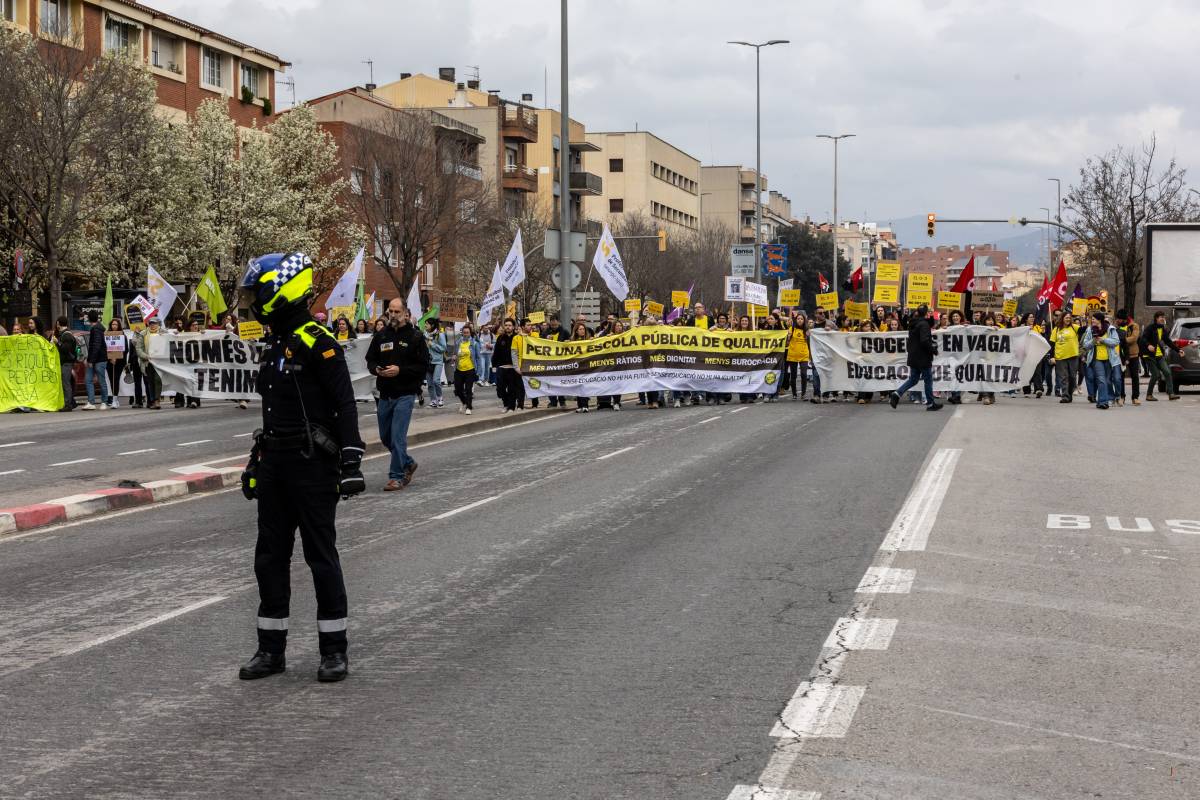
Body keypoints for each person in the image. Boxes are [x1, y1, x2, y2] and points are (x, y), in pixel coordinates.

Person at [235, 251, 366, 684]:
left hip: (312, 467)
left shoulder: (318, 341)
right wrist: (257, 462)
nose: (252, 302)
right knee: (268, 559)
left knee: (320, 557)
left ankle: (334, 651)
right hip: (276, 464)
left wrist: (351, 460)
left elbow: (344, 404)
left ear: (279, 290)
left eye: (258, 292)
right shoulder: (273, 344)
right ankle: (270, 651)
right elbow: (275, 411)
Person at [366, 298, 429, 490]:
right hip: (384, 394)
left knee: (397, 437)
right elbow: (370, 360)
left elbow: (422, 365)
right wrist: (376, 369)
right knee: (386, 437)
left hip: (405, 393)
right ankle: (408, 462)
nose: (392, 315)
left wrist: (400, 370)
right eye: (390, 312)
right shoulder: (381, 336)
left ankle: (396, 476)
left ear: (405, 313)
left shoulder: (415, 337)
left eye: (396, 312)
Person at [889, 304, 942, 411]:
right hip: (923, 357)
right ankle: (931, 404)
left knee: (913, 379)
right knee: (928, 380)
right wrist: (933, 350)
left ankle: (897, 393)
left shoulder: (913, 323)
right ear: (926, 313)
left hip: (913, 356)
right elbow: (924, 340)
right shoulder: (923, 325)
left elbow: (927, 327)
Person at [1081, 311, 1120, 410]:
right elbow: (1085, 345)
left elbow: (1116, 341)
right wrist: (1093, 341)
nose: (1092, 320)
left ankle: (1103, 400)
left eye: (1093, 319)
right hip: (1096, 359)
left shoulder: (1110, 329)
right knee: (1101, 379)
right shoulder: (1090, 330)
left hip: (1109, 359)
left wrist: (1103, 340)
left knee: (1107, 380)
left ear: (1099, 320)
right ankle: (1103, 402)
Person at [1140, 311, 1181, 401]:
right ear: (1156, 318)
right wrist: (1148, 345)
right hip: (1149, 355)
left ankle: (1171, 394)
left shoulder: (1162, 329)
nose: (1163, 319)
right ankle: (1149, 395)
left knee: (1167, 372)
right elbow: (1143, 338)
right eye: (1161, 317)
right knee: (1155, 375)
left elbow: (1168, 342)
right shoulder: (1150, 328)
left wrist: (1178, 350)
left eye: (1163, 317)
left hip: (1159, 355)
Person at [80, 311, 110, 411]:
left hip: (98, 359)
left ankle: (103, 402)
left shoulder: (96, 329)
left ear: (89, 318)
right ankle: (92, 402)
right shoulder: (97, 328)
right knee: (90, 380)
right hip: (97, 359)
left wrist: (91, 360)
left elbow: (96, 345)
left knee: (98, 380)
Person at [1050, 312, 1080, 403]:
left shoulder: (1074, 327)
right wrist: (1052, 357)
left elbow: (1085, 331)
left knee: (1072, 377)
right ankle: (1065, 396)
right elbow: (1052, 344)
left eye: (1069, 318)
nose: (1068, 319)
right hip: (1060, 357)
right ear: (1062, 318)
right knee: (1063, 377)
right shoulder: (1056, 329)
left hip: (1073, 356)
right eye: (1066, 318)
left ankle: (1069, 393)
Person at [133, 318, 162, 409]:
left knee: (157, 380)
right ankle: (152, 401)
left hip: (159, 362)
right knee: (150, 382)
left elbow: (172, 338)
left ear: (158, 324)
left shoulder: (163, 332)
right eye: (151, 323)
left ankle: (157, 400)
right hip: (147, 362)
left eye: (154, 323)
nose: (153, 325)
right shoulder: (143, 334)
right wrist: (146, 356)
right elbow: (138, 348)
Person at [1115, 308, 1141, 406]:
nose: (1117, 320)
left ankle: (1135, 397)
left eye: (1119, 319)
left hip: (1133, 354)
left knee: (1135, 376)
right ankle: (1122, 397)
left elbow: (1134, 338)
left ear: (1124, 319)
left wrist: (1122, 340)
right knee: (1120, 377)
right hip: (1121, 356)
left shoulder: (1134, 326)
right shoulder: (1116, 328)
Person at [493, 319, 519, 413]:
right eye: (506, 325)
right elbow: (496, 353)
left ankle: (511, 406)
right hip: (502, 367)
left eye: (509, 325)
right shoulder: (500, 338)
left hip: (513, 368)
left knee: (512, 388)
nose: (508, 327)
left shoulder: (517, 337)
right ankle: (506, 404)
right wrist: (494, 366)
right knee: (500, 388)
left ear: (513, 327)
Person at [783, 312, 810, 401]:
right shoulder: (791, 329)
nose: (800, 320)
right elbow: (786, 343)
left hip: (804, 355)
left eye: (802, 319)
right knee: (793, 375)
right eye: (798, 318)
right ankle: (794, 394)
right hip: (793, 354)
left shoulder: (807, 330)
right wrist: (788, 337)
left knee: (804, 374)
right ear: (796, 319)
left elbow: (810, 343)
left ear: (804, 320)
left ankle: (803, 394)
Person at [53, 317, 78, 411]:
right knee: (65, 382)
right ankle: (71, 402)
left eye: (57, 323)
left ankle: (68, 404)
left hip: (66, 363)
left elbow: (66, 349)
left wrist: (57, 343)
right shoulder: (64, 334)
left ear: (58, 323)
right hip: (66, 362)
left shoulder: (66, 335)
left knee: (65, 383)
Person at [452, 323, 478, 415]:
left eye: (467, 333)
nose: (466, 334)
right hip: (459, 369)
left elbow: (477, 357)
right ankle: (464, 402)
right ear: (462, 333)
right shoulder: (458, 342)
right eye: (464, 333)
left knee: (468, 389)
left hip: (470, 369)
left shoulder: (474, 343)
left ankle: (469, 407)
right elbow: (454, 354)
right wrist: (454, 357)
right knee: (458, 389)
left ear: (470, 333)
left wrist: (477, 370)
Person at [423, 318, 447, 408]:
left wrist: (432, 344)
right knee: (429, 384)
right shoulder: (424, 335)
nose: (425, 326)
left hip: (437, 361)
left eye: (427, 324)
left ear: (432, 325)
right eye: (425, 324)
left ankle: (440, 398)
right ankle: (433, 400)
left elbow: (443, 348)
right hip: (428, 362)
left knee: (436, 381)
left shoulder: (439, 335)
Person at [105, 318, 127, 409]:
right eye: (113, 324)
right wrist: (110, 357)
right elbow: (105, 347)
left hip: (119, 362)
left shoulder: (122, 335)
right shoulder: (106, 335)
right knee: (111, 380)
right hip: (109, 361)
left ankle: (115, 399)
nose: (114, 326)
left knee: (116, 379)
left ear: (119, 326)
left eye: (116, 325)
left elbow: (125, 349)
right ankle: (114, 398)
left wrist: (116, 358)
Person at [569, 322, 591, 412]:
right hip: (576, 366)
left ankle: (585, 405)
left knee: (584, 385)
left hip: (586, 366)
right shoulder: (572, 342)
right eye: (580, 329)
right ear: (576, 331)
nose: (582, 331)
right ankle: (579, 405)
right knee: (578, 386)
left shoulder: (589, 340)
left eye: (583, 329)